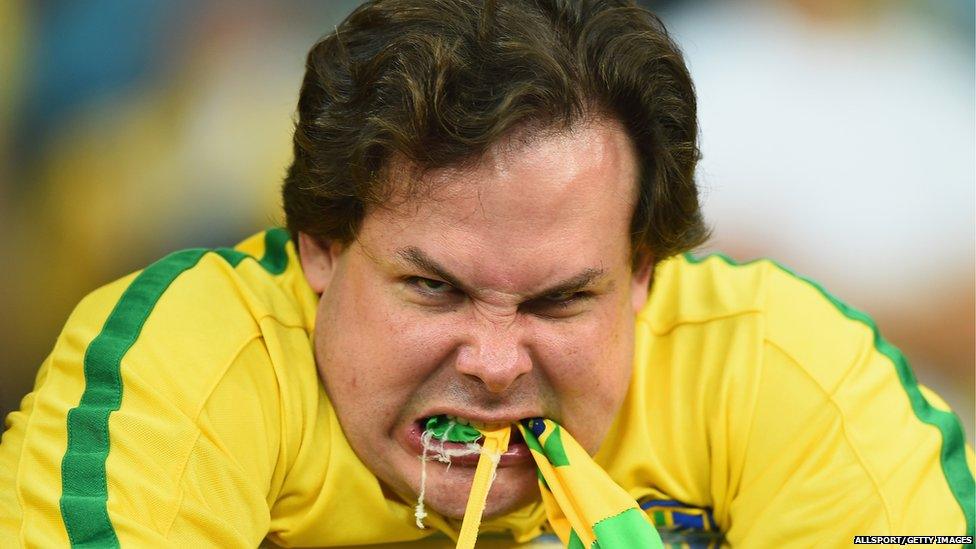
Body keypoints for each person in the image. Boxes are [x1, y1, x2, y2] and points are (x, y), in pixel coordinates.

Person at [1, 0, 972, 547]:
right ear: (319, 251)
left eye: (560, 298)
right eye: (434, 287)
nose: (498, 363)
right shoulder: (193, 361)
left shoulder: (784, 370)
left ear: (643, 275)